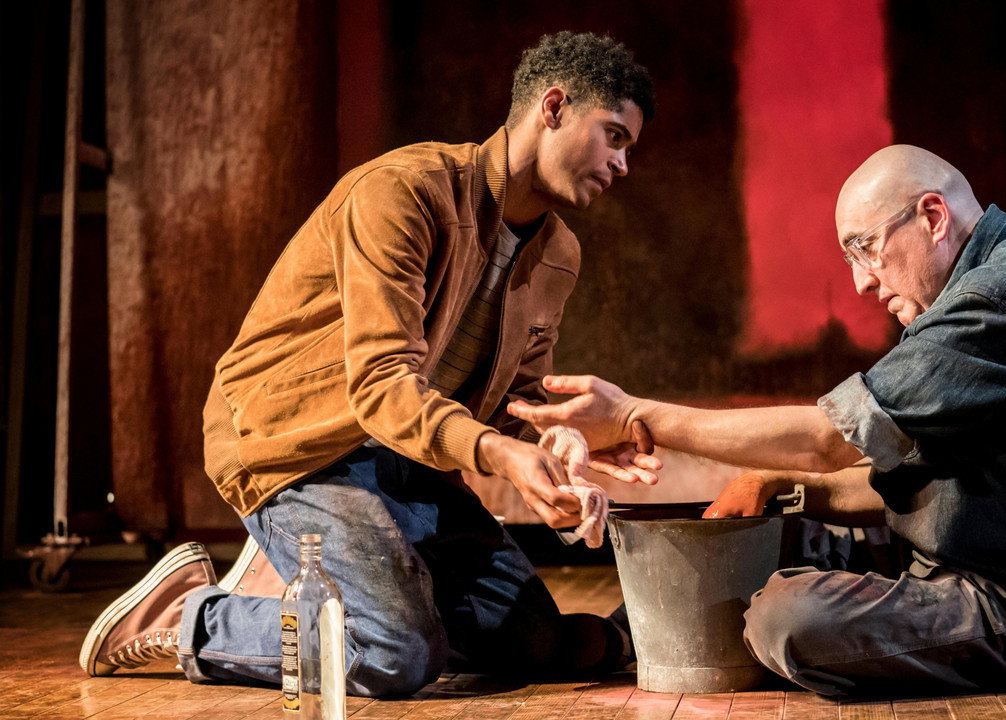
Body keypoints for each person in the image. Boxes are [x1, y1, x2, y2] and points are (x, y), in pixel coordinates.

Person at [80, 31, 660, 696]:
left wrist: (558, 442)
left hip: (406, 458)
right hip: (299, 446)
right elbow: (382, 385)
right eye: (614, 136)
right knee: (393, 651)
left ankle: (328, 583)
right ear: (553, 107)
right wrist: (500, 456)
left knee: (533, 643)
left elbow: (514, 398)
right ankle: (190, 616)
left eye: (629, 147)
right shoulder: (404, 192)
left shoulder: (558, 254)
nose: (622, 164)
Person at [508, 145, 1006, 695]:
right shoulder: (989, 286)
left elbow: (828, 440)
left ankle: (732, 636)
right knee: (772, 529)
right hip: (976, 556)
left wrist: (635, 416)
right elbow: (911, 477)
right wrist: (788, 488)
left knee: (787, 620)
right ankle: (626, 639)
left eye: (864, 248)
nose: (860, 281)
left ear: (932, 216)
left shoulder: (1004, 302)